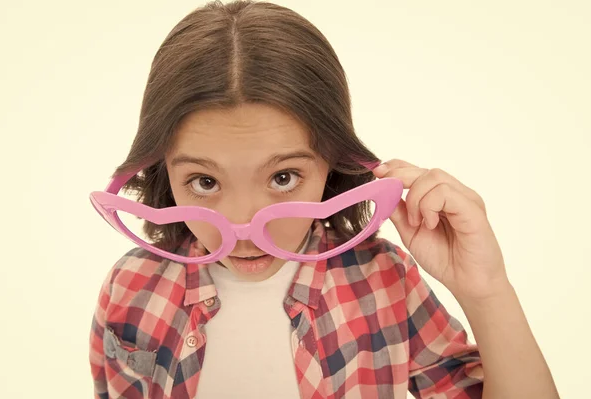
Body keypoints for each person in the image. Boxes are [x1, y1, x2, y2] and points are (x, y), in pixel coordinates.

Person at [88, 1, 559, 398]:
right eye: (205, 182)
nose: (244, 224)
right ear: (160, 170)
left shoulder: (383, 280)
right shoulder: (130, 286)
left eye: (284, 176)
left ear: (333, 163)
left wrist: (488, 292)